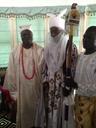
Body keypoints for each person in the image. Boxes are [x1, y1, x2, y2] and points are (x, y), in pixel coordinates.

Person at [35, 16, 78, 128]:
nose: (53, 33)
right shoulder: (47, 47)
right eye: (51, 30)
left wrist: (68, 85)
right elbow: (44, 67)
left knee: (62, 111)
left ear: (62, 30)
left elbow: (73, 68)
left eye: (56, 30)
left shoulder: (70, 47)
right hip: (49, 84)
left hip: (62, 85)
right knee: (49, 109)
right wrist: (44, 80)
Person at [4, 25, 43, 128]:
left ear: (33, 36)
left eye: (29, 34)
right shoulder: (14, 52)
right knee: (24, 117)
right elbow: (11, 74)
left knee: (36, 116)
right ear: (21, 37)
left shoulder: (40, 51)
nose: (27, 37)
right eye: (24, 35)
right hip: (21, 92)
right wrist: (14, 95)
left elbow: (44, 71)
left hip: (36, 90)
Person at [74, 26, 96, 128]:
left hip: (91, 102)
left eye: (89, 38)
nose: (84, 40)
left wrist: (77, 85)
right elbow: (77, 76)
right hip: (78, 99)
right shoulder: (80, 56)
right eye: (84, 37)